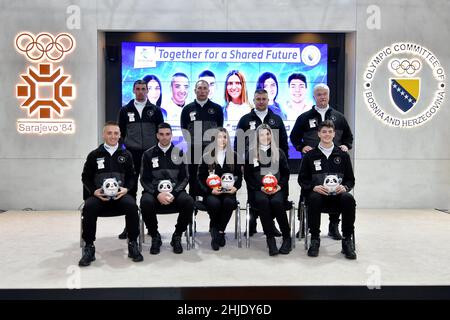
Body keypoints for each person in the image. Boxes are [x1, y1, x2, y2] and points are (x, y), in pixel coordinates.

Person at [290, 83, 353, 240]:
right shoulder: (304, 117)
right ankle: (303, 225)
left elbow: (348, 137)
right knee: (307, 192)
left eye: (325, 94)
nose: (322, 97)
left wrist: (346, 145)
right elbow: (294, 137)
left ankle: (333, 226)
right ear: (314, 96)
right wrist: (301, 146)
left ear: (329, 95)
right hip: (312, 161)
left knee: (336, 190)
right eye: (319, 94)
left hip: (335, 161)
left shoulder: (339, 117)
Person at [79, 121, 143, 267]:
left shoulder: (126, 155)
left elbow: (132, 177)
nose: (113, 136)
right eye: (109, 133)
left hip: (120, 196)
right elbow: (85, 177)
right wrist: (94, 191)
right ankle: (89, 247)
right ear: (103, 135)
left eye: (116, 133)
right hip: (99, 196)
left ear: (120, 135)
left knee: (132, 206)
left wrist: (126, 189)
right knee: (88, 207)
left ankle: (133, 243)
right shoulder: (94, 155)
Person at [298, 120, 356, 259]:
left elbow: (350, 180)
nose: (327, 134)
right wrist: (314, 187)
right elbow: (302, 179)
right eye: (324, 131)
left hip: (337, 197)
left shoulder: (343, 155)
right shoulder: (310, 155)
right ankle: (315, 239)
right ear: (318, 134)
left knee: (348, 198)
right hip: (318, 197)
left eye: (330, 132)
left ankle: (347, 240)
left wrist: (345, 187)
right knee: (313, 198)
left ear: (334, 134)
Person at [235, 89, 289, 236]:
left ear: (268, 100)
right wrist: (240, 162)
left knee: (272, 193)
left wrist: (284, 160)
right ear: (254, 100)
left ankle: (270, 225)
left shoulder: (276, 119)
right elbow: (238, 142)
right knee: (254, 193)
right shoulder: (245, 119)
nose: (261, 101)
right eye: (258, 99)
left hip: (274, 164)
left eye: (264, 99)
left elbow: (283, 142)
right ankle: (251, 225)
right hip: (253, 164)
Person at [117, 79, 164, 239]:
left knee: (150, 189)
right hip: (132, 155)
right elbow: (120, 133)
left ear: (147, 90)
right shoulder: (125, 110)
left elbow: (161, 131)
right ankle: (129, 226)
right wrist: (128, 148)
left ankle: (152, 228)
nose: (141, 91)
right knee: (130, 190)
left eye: (143, 89)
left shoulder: (155, 110)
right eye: (138, 89)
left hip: (150, 155)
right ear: (133, 90)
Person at [140, 123, 194, 254]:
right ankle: (155, 236)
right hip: (154, 193)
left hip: (175, 192)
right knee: (145, 202)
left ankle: (177, 235)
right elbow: (144, 179)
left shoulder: (180, 153)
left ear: (171, 135)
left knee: (188, 201)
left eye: (167, 134)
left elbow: (185, 177)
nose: (164, 137)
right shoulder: (148, 154)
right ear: (157, 136)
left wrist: (174, 193)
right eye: (161, 134)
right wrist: (157, 193)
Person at [243, 124, 291, 256]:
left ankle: (287, 237)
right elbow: (248, 176)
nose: (265, 137)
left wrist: (279, 186)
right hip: (259, 190)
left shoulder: (279, 152)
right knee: (263, 202)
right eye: (262, 134)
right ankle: (270, 240)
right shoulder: (251, 153)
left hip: (277, 189)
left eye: (268, 134)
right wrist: (260, 187)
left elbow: (286, 174)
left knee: (276, 202)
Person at [197, 127, 242, 250]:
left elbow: (239, 177)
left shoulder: (235, 156)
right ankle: (215, 229)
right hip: (211, 193)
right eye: (219, 137)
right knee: (214, 203)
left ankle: (219, 231)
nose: (222, 140)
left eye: (225, 137)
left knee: (228, 202)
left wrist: (235, 188)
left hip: (228, 193)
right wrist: (209, 190)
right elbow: (200, 178)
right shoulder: (206, 156)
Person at [181, 80, 224, 198]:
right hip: (193, 151)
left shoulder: (217, 109)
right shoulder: (187, 109)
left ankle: (211, 203)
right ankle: (193, 207)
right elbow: (184, 130)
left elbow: (220, 128)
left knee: (211, 177)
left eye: (205, 88)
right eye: (199, 88)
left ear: (209, 91)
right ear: (195, 91)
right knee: (194, 179)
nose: (202, 91)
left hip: (211, 151)